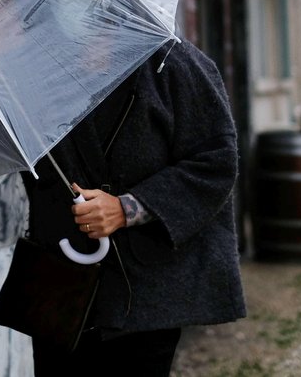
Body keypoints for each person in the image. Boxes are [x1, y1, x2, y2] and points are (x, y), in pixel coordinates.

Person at [21, 38, 246, 376]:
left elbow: (215, 163)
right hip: (61, 284)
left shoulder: (175, 64)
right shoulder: (34, 72)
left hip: (147, 290)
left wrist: (126, 208)